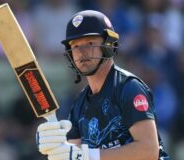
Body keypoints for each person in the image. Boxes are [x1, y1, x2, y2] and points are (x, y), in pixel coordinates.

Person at [36, 10, 170, 160]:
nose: (81, 52)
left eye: (90, 43)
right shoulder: (79, 105)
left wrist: (88, 156)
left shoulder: (129, 88)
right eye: (75, 46)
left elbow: (149, 150)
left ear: (108, 45)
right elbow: (74, 154)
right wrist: (56, 148)